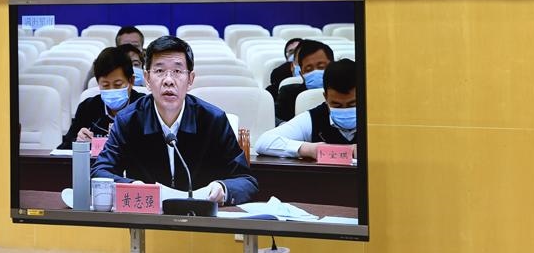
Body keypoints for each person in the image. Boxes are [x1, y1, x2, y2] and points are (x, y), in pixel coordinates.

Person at [91, 36, 258, 206]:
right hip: (149, 215)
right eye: (159, 71)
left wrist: (223, 188)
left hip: (201, 216)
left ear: (190, 79)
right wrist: (132, 186)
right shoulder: (128, 120)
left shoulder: (213, 120)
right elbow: (100, 171)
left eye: (177, 71)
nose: (168, 81)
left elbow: (246, 180)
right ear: (147, 79)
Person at [257, 59, 357, 159]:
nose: (345, 110)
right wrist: (312, 149)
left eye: (352, 104)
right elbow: (263, 142)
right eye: (337, 105)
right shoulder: (314, 118)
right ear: (326, 97)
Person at [58, 47, 145, 149]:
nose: (111, 90)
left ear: (131, 81)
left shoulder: (145, 107)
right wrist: (77, 141)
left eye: (117, 85)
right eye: (105, 85)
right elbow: (64, 148)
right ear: (98, 83)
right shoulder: (87, 107)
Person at [275, 39, 334, 122]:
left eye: (321, 67)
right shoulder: (288, 94)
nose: (315, 72)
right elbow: (275, 118)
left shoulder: (346, 89)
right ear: (301, 74)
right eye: (308, 69)